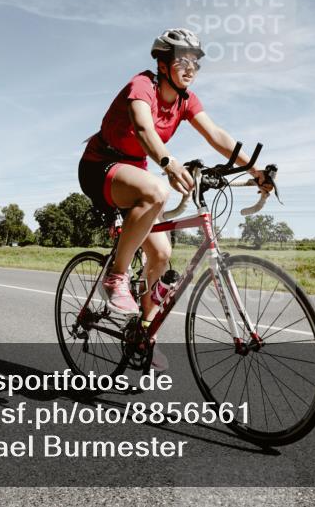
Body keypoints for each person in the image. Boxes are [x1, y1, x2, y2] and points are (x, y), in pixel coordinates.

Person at [77, 28, 273, 370]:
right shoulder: (143, 86)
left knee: (162, 253)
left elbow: (216, 135)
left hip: (134, 169)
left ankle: (142, 334)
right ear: (164, 64)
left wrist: (254, 170)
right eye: (182, 60)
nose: (191, 67)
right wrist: (168, 163)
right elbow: (142, 127)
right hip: (100, 166)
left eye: (195, 62)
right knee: (156, 190)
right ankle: (116, 276)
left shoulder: (186, 100)